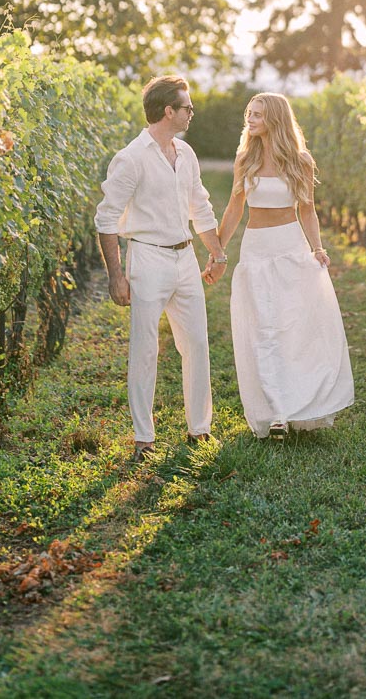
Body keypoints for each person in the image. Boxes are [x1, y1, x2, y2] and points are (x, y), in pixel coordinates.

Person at [95, 75, 227, 461]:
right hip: (147, 257)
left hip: (184, 257)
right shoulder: (131, 158)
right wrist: (116, 276)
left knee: (197, 344)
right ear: (168, 111)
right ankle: (144, 439)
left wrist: (216, 254)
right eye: (187, 107)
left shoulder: (186, 153)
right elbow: (106, 219)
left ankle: (199, 430)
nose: (192, 113)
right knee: (145, 348)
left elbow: (200, 207)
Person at [218, 92, 354, 439]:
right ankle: (276, 413)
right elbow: (235, 208)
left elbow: (306, 209)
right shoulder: (245, 158)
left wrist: (318, 248)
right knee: (263, 329)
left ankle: (298, 403)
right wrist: (217, 249)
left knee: (291, 327)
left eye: (258, 115)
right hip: (256, 250)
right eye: (249, 113)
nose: (250, 119)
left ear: (275, 119)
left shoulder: (300, 160)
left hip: (291, 248)